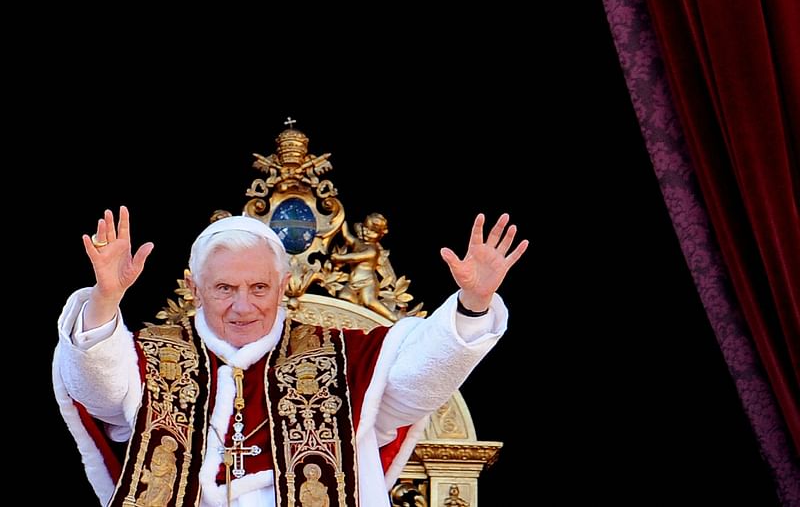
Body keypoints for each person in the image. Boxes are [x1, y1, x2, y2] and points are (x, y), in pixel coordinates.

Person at [54, 206, 527, 506]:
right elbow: (98, 391)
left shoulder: (343, 358)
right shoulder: (154, 357)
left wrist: (474, 304)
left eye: (259, 287)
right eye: (224, 289)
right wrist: (105, 299)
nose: (244, 305)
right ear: (195, 290)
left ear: (283, 287)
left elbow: (417, 382)